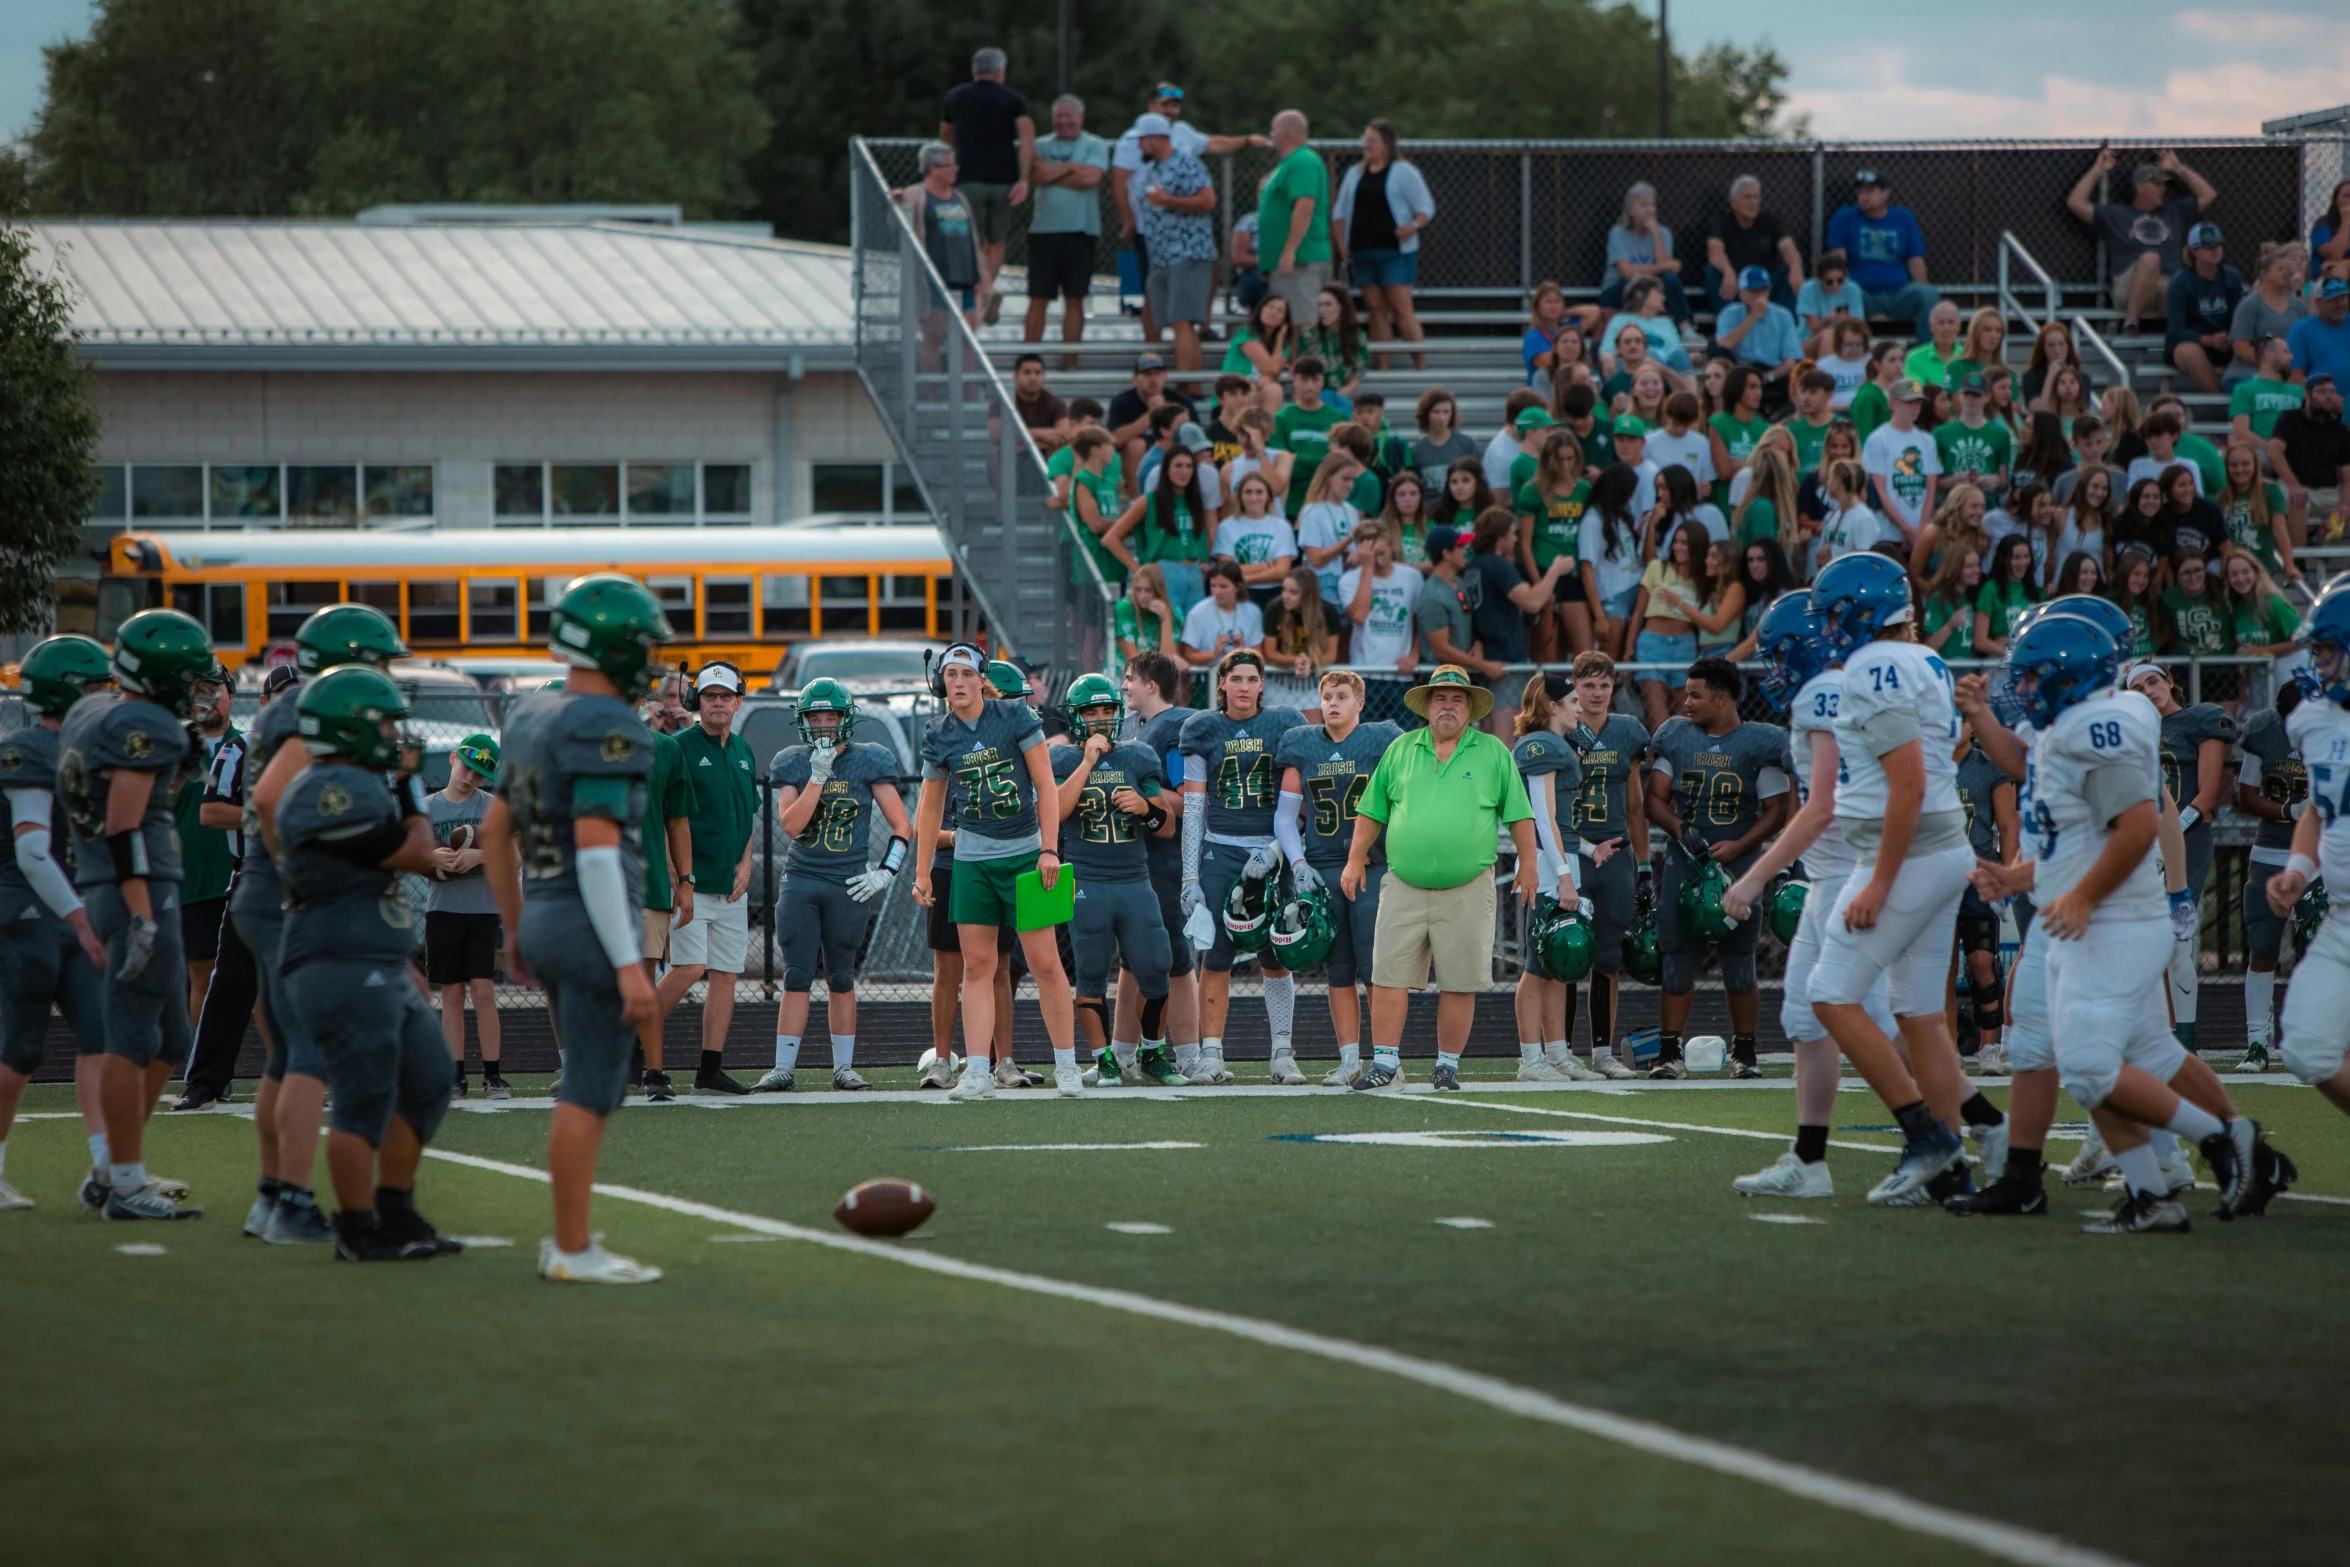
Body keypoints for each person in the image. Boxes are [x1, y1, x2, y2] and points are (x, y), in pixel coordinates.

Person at [2002, 615, 2279, 1233]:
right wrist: (2020, 880)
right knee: (2147, 1053)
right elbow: (2070, 841)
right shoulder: (2069, 729)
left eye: (2036, 674)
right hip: (2095, 914)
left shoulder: (2100, 724)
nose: (2024, 688)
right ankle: (2156, 1195)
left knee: (2087, 1067)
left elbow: (2137, 825)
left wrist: (2081, 898)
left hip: (2111, 918)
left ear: (2071, 674)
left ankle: (2223, 1139)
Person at [1786, 554, 2004, 1203]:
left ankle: (1926, 1135)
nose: (1826, 627)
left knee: (1830, 993)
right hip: (1940, 847)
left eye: (1832, 613)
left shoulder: (1874, 666)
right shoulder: (1924, 660)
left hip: (1905, 852)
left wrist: (1878, 881)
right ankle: (1952, 1164)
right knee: (1917, 1014)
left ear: (1856, 610)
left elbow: (1906, 782)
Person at [481, 577, 672, 1280]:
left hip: (545, 910)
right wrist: (629, 963)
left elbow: (495, 830)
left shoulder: (531, 713)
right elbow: (596, 848)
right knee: (588, 1086)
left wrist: (515, 924)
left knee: (583, 1081)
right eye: (642, 642)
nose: (649, 656)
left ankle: (570, 1240)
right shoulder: (606, 722)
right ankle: (569, 1245)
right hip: (594, 922)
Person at [235, 604, 410, 1242]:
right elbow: (269, 796)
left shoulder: (292, 705)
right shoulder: (308, 710)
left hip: (259, 891)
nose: (387, 674)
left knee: (287, 1049)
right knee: (310, 1049)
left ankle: (271, 1197)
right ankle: (293, 1199)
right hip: (282, 893)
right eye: (381, 660)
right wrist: (297, 872)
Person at [269, 666, 457, 1261]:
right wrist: (408, 788)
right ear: (350, 725)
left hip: (374, 955)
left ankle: (395, 1211)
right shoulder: (332, 789)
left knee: (428, 1079)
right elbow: (422, 856)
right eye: (383, 720)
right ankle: (356, 1229)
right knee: (363, 1095)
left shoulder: (356, 782)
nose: (393, 732)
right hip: (337, 959)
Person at [1725, 594, 1903, 1196]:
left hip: (1849, 874)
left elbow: (1822, 807)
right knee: (1806, 1018)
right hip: (1833, 874)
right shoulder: (1839, 689)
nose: (1773, 669)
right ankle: (1810, 1159)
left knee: (1876, 1020)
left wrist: (1754, 877)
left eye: (1779, 654)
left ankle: (1954, 1135)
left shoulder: (1825, 694)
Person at [1344, 666, 1537, 1091]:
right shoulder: (1400, 748)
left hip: (1468, 886)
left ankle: (1447, 1065)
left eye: (1456, 699)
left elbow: (1520, 813)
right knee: (1388, 976)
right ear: (1427, 706)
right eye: (1440, 698)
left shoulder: (1493, 752)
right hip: (1403, 882)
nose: (1447, 706)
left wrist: (1529, 863)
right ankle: (1384, 1064)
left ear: (1470, 708)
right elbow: (1371, 810)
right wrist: (1355, 860)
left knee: (1460, 979)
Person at [913, 645, 1082, 1099]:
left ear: (981, 678)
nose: (959, 682)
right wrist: (923, 870)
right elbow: (930, 806)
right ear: (941, 682)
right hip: (972, 859)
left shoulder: (1014, 716)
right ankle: (977, 1071)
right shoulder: (939, 732)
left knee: (1046, 962)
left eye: (967, 673)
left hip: (1026, 853)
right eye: (951, 674)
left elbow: (1046, 785)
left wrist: (1049, 849)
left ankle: (1067, 1065)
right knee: (978, 966)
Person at [0, 636, 116, 1213]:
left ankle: (106, 1169)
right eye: (96, 688)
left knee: (102, 1034)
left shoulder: (85, 751)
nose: (105, 699)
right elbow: (33, 853)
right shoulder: (28, 748)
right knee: (19, 1047)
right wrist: (82, 918)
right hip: (24, 908)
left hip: (71, 910)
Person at [1642, 657, 1791, 1078]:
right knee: (1676, 958)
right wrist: (1679, 827)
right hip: (1685, 864)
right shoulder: (1676, 736)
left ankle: (1746, 1054)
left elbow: (1776, 809)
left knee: (1739, 960)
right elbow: (1655, 798)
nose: (1686, 702)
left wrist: (1742, 844)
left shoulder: (1759, 742)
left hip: (1740, 867)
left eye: (1695, 694)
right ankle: (1668, 1053)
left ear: (1721, 698)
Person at [757, 682, 909, 1094]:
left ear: (846, 719)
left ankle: (844, 1067)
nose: (824, 726)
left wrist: (886, 873)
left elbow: (902, 827)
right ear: (803, 721)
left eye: (831, 717)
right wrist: (817, 778)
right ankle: (783, 1067)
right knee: (796, 975)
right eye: (815, 718)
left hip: (848, 882)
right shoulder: (793, 761)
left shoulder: (869, 759)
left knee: (841, 977)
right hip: (802, 881)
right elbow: (791, 825)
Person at [1173, 650, 1307, 1085]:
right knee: (1216, 955)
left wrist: (1276, 849)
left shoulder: (1284, 722)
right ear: (1223, 683)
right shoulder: (1202, 728)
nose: (1245, 686)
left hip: (1272, 850)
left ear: (1262, 685)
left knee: (1277, 951)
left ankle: (1282, 1053)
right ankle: (1212, 1054)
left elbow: (1297, 800)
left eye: (1253, 678)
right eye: (1238, 678)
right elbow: (1193, 807)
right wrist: (1189, 874)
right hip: (1222, 848)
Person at [1267, 670, 1403, 1087]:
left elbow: (1402, 801)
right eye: (1327, 696)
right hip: (1323, 865)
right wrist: (1297, 864)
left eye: (1342, 696)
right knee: (1339, 968)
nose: (1333, 703)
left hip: (1372, 866)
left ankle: (1387, 1060)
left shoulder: (1383, 740)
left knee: (1375, 966)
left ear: (1360, 703)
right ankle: (1349, 1060)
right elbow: (1285, 817)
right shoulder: (1301, 743)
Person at [1044, 676, 1177, 1089]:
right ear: (1077, 717)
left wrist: (1144, 807)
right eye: (1091, 712)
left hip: (1135, 878)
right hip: (1087, 880)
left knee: (1157, 965)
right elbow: (1055, 813)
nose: (1100, 720)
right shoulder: (1063, 759)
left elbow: (1166, 828)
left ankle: (1153, 1052)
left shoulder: (1138, 756)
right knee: (1091, 973)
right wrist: (1087, 763)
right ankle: (1104, 1060)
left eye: (1107, 711)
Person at [648, 664, 756, 1098]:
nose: (717, 702)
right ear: (697, 700)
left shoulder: (745, 749)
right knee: (688, 969)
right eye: (709, 695)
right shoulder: (678, 748)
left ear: (737, 701)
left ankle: (709, 1069)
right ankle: (625, 1042)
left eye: (724, 696)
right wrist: (677, 876)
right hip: (691, 885)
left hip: (730, 886)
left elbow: (747, 814)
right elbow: (668, 816)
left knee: (727, 975)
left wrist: (746, 862)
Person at [2267, 590, 2350, 1130]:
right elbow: (2319, 810)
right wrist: (2298, 867)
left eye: (2325, 649)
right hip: (2342, 917)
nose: (2315, 662)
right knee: (2305, 1045)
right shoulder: (2313, 720)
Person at [2125, 659, 2234, 1052]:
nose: (2149, 691)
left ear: (2170, 681)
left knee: (2176, 938)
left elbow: (2205, 797)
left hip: (2185, 838)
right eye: (2138, 688)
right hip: (2137, 840)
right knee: (2138, 940)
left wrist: (2163, 837)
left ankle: (2185, 1039)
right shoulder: (2131, 729)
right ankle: (2156, 1034)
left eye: (2153, 682)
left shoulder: (2198, 720)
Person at [1552, 654, 1647, 1075]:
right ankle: (1560, 1051)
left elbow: (1636, 805)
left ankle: (1603, 1053)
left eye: (1604, 686)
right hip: (1572, 853)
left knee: (1607, 958)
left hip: (1615, 856)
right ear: (1574, 687)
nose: (1595, 694)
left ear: (1613, 688)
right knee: (1565, 954)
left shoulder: (1627, 732)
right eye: (1588, 685)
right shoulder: (1560, 733)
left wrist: (1643, 865)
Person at [1112, 83, 1267, 340]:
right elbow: (1119, 182)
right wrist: (1129, 221)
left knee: (1204, 275)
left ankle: (1203, 327)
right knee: (1154, 292)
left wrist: (1247, 141)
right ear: (1151, 107)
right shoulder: (1134, 140)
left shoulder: (1183, 135)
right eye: (1164, 105)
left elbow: (1214, 144)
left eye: (1174, 106)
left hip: (1187, 235)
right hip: (1152, 231)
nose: (1171, 111)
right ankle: (1154, 347)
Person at [1118, 652, 1201, 1085]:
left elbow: (1189, 797)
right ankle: (1120, 1055)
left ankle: (1189, 1055)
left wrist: (1140, 796)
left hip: (1167, 857)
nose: (1124, 685)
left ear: (1152, 685)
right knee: (1131, 960)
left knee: (1175, 958)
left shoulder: (1176, 728)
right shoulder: (1134, 727)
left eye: (1130, 679)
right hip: (1131, 857)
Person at [1507, 677, 1592, 1081]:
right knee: (1538, 964)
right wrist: (1563, 876)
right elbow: (1541, 817)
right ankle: (1531, 1058)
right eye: (1573, 701)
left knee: (1558, 966)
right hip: (1545, 862)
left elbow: (1561, 820)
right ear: (1552, 705)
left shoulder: (1559, 744)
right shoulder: (1539, 745)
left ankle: (1557, 1053)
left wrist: (1589, 852)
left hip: (1561, 858)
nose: (1580, 708)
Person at [426, 735, 506, 1100]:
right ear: (453, 758)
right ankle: (453, 1074)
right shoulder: (427, 807)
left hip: (483, 909)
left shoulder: (493, 808)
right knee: (452, 994)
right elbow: (412, 854)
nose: (470, 778)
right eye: (467, 768)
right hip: (443, 909)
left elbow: (515, 857)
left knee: (484, 991)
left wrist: (480, 856)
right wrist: (431, 860)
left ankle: (493, 1074)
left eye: (479, 775)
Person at [2065, 148, 2216, 335]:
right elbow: (2075, 202)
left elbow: (2208, 195)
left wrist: (2178, 168)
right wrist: (2097, 170)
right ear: (2141, 187)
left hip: (2166, 285)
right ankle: (2131, 320)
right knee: (2150, 258)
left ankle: (2187, 340)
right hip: (2128, 289)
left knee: (2189, 286)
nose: (2163, 189)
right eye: (2157, 185)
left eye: (2164, 185)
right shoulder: (2117, 215)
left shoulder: (2175, 211)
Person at [937, 47, 1034, 328]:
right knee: (997, 240)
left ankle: (979, 294)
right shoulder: (1014, 100)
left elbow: (946, 136)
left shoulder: (956, 97)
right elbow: (1027, 139)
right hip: (1003, 180)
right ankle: (985, 293)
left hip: (967, 178)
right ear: (1000, 71)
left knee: (973, 241)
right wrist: (1024, 179)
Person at [1333, 120, 1434, 365]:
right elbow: (1340, 212)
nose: (1366, 145)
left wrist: (1413, 227)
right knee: (1375, 310)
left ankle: (1421, 365)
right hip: (1363, 250)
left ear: (1386, 143)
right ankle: (1383, 365)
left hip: (1395, 251)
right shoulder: (1355, 173)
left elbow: (1425, 207)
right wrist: (1342, 243)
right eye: (1364, 139)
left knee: (1401, 309)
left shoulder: (1404, 171)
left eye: (1372, 140)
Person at [632, 694, 692, 1102]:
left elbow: (677, 818)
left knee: (644, 978)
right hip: (589, 883)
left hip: (647, 880)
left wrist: (685, 881)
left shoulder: (666, 748)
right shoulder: (578, 742)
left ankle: (654, 1071)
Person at [171, 670, 235, 1033]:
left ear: (231, 697)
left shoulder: (248, 745)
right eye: (199, 691)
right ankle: (203, 1067)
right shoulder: (173, 748)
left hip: (242, 876)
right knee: (201, 974)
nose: (207, 698)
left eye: (214, 690)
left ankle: (272, 1066)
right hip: (194, 875)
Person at [1022, 94, 1110, 361]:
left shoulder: (1095, 144)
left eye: (1069, 116)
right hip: (1043, 232)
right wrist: (1071, 168)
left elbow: (1091, 178)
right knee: (1038, 298)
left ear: (1080, 118)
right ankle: (1029, 360)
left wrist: (1052, 173)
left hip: (1081, 232)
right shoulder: (1040, 144)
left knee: (1075, 298)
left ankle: (1070, 359)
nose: (1063, 121)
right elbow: (1033, 175)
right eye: (1059, 116)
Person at [1132, 113, 1217, 375]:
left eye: (1142, 140)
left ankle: (1188, 385)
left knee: (1183, 322)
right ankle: (1182, 380)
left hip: (1187, 254)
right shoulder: (1151, 170)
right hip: (1161, 257)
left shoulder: (1186, 165)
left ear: (1156, 138)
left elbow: (1207, 201)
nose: (1139, 146)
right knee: (1167, 322)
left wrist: (1169, 200)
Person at [1825, 171, 1938, 340]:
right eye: (1860, 192)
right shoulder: (1844, 217)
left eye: (1870, 191)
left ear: (1885, 194)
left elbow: (1916, 261)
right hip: (1863, 295)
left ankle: (1924, 354)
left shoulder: (1904, 218)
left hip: (1898, 294)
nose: (1864, 197)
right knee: (1847, 290)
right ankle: (1854, 349)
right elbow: (1838, 263)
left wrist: (1920, 284)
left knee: (1927, 294)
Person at [1513, 429, 1593, 660]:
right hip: (1544, 569)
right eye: (1560, 459)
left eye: (1571, 459)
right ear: (1549, 459)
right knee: (1548, 657)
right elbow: (1525, 544)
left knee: (1585, 655)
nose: (1566, 465)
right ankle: (1552, 697)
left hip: (1574, 572)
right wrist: (1540, 586)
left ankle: (1581, 696)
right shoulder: (1532, 490)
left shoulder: (1583, 489)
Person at [893, 142, 981, 336]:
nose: (955, 170)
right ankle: (933, 368)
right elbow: (895, 224)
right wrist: (896, 205)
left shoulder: (959, 197)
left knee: (968, 339)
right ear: (933, 169)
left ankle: (966, 368)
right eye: (949, 166)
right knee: (934, 339)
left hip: (964, 279)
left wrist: (978, 273)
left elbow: (972, 236)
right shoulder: (915, 195)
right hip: (934, 281)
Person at [1631, 511, 1707, 732]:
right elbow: (1638, 612)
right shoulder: (1658, 567)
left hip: (1685, 646)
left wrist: (1680, 603)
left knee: (1684, 721)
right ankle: (1657, 766)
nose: (1678, 547)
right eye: (1676, 542)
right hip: (1652, 643)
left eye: (1685, 543)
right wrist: (1627, 653)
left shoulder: (1703, 579)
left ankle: (1675, 766)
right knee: (1659, 721)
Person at [1259, 110, 1331, 326]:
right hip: (1286, 264)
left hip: (1301, 261)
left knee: (1303, 326)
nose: (1271, 135)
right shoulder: (1288, 164)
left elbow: (1305, 205)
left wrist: (1289, 250)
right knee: (1288, 328)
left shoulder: (1303, 161)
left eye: (1274, 130)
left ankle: (1308, 361)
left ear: (1286, 134)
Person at [2268, 373, 2350, 545]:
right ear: (2307, 394)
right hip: (2295, 486)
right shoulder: (2289, 419)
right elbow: (2274, 451)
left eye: (2332, 392)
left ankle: (2334, 554)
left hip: (2328, 492)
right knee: (2296, 499)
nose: (2329, 396)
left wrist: (2344, 504)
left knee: (2345, 506)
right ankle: (2299, 561)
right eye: (2322, 391)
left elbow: (2345, 473)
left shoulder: (2340, 430)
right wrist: (2293, 485)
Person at [1340, 520, 1423, 689]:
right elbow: (1359, 616)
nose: (1376, 561)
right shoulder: (1349, 580)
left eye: (1381, 553)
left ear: (1391, 545)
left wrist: (1414, 655)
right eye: (1370, 556)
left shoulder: (1412, 577)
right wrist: (1367, 569)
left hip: (1401, 673)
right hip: (1364, 672)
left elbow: (1420, 622)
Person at [1704, 174, 1804, 311]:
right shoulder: (1721, 222)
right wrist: (1728, 272)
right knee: (1711, 272)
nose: (1753, 202)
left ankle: (1785, 321)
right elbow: (1714, 251)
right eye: (1747, 197)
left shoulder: (1770, 220)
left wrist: (1796, 267)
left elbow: (1789, 248)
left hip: (1766, 283)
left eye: (1756, 197)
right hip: (1737, 284)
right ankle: (1729, 320)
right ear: (1733, 202)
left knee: (1790, 270)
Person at [2164, 222, 2242, 395]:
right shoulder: (2180, 283)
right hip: (2193, 342)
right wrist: (2208, 340)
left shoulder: (2231, 278)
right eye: (2208, 247)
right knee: (2190, 352)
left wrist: (2229, 337)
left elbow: (2238, 317)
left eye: (2218, 245)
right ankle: (2224, 402)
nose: (2215, 250)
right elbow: (2176, 331)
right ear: (2194, 251)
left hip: (2224, 342)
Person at [1863, 378, 1941, 547]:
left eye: (1918, 403)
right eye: (1908, 402)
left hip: (1920, 531)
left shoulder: (1927, 440)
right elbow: (1879, 490)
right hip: (1888, 532)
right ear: (1892, 403)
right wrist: (1906, 529)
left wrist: (1922, 528)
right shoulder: (1878, 439)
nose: (1915, 408)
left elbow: (1930, 486)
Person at [1579, 463, 1645, 658]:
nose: (1630, 498)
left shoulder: (1620, 514)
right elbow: (1586, 568)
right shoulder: (1592, 520)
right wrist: (1599, 616)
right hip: (1611, 597)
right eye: (1628, 493)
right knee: (1608, 663)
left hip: (1635, 588)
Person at [1599, 182, 1687, 321]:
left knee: (1670, 280)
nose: (1650, 210)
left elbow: (1668, 272)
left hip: (1652, 286)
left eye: (1652, 205)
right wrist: (1661, 268)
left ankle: (1685, 327)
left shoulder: (1663, 233)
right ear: (1631, 211)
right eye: (1644, 206)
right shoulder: (1618, 233)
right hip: (1619, 288)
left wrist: (1655, 234)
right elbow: (1627, 272)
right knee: (1642, 288)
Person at [1711, 267, 1804, 396]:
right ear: (1741, 292)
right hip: (1739, 370)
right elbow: (1724, 345)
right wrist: (1753, 316)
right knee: (1716, 352)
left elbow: (1790, 361)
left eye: (1763, 290)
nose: (1758, 295)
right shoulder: (1729, 313)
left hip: (1771, 371)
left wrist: (1767, 377)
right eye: (1753, 291)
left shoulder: (1783, 316)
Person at [1261, 566, 1337, 713]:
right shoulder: (1274, 609)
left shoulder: (1327, 611)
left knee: (1312, 728)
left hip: (1313, 680)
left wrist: (1311, 662)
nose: (1285, 596)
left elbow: (1331, 655)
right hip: (1279, 681)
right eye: (1284, 590)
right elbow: (1269, 654)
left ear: (1307, 595)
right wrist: (1295, 661)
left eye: (1293, 592)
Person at [1414, 525, 1486, 678]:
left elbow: (1467, 623)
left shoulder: (1459, 583)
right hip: (1439, 679)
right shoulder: (1432, 595)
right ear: (1446, 553)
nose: (1465, 551)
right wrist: (1483, 666)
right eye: (1460, 546)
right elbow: (1442, 650)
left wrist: (1477, 645)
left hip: (1460, 675)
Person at [2230, 241, 2310, 375]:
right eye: (2280, 269)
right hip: (2249, 371)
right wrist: (2270, 366)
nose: (2286, 273)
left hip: (2288, 372)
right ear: (2264, 273)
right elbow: (2240, 347)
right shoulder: (2250, 305)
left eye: (2288, 271)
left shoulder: (2298, 306)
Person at [1936, 373, 2014, 505]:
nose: (1971, 400)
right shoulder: (1941, 433)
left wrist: (1996, 481)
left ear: (1987, 397)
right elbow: (1934, 482)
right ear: (1960, 396)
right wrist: (1952, 481)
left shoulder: (2001, 434)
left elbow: (2004, 483)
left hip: (1987, 505)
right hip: (1953, 507)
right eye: (1967, 394)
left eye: (1977, 395)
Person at [2231, 334, 2305, 454]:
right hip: (2262, 453)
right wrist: (2273, 450)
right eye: (2286, 352)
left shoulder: (2299, 392)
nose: (2291, 357)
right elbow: (2242, 433)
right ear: (2268, 355)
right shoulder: (2244, 389)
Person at [1299, 285, 1368, 407]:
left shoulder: (1358, 337)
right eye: (1320, 305)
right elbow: (1302, 371)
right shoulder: (1308, 335)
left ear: (1342, 307)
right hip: (1314, 396)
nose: (1322, 310)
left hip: (1345, 396)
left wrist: (1337, 397)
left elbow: (1357, 375)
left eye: (1328, 304)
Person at [1972, 535, 2039, 658]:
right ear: (2004, 559)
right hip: (1999, 665)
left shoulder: (2036, 592)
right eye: (2016, 558)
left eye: (2026, 556)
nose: (2023, 562)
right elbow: (1979, 641)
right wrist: (2012, 655)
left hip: (2029, 665)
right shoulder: (1990, 589)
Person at [1797, 253, 1868, 362]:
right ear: (1820, 279)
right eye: (1829, 282)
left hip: (1844, 343)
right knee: (1828, 333)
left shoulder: (1853, 289)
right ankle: (1826, 376)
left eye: (1840, 281)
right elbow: (1813, 329)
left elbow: (1859, 327)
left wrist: (1844, 324)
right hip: (1807, 343)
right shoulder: (1808, 290)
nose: (1835, 285)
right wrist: (1827, 320)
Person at [1410, 389, 1480, 494]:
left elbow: (1479, 482)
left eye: (1446, 412)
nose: (1442, 418)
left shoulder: (1467, 445)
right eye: (1436, 412)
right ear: (1426, 414)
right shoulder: (1416, 451)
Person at [2289, 276, 2350, 391]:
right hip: (2322, 403)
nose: (2339, 304)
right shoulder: (2301, 330)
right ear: (2318, 302)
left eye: (2343, 298)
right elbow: (2295, 376)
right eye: (2333, 300)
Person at [1010, 354, 1070, 453]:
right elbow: (998, 436)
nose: (1033, 378)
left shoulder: (1055, 402)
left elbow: (1065, 434)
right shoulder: (1004, 402)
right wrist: (1045, 435)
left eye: (1038, 373)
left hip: (1047, 461)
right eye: (1027, 373)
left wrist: (1025, 438)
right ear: (1015, 376)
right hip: (1010, 462)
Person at [1903, 300, 1964, 390]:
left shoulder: (1969, 356)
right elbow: (1915, 391)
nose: (1946, 328)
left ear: (1959, 327)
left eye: (1951, 322)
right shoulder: (1914, 358)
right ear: (1931, 326)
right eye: (1941, 323)